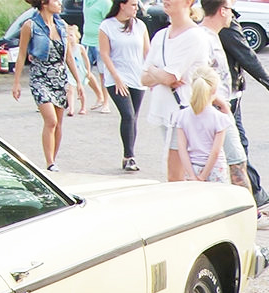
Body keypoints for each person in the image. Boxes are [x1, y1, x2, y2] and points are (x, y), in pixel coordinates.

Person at [200, 0, 269, 212]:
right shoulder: (220, 28)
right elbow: (247, 56)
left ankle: (251, 199)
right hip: (223, 102)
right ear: (222, 10)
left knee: (236, 149)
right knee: (236, 152)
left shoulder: (213, 27)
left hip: (226, 98)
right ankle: (250, 204)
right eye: (228, 8)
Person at [139, 0, 213, 177]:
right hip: (167, 112)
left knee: (177, 173)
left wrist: (156, 71)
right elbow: (143, 79)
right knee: (175, 171)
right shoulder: (160, 36)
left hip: (186, 112)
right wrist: (158, 73)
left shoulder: (195, 36)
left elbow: (170, 77)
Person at [9, 0, 84, 171]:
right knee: (50, 120)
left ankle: (53, 162)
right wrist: (16, 82)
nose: (59, 4)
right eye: (56, 1)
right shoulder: (31, 25)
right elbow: (21, 55)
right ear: (44, 3)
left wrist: (78, 81)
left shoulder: (61, 25)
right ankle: (49, 162)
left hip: (59, 77)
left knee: (58, 123)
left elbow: (68, 57)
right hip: (40, 76)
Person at [98, 0, 149, 171]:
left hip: (137, 77)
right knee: (127, 114)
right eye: (133, 4)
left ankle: (129, 154)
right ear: (122, 4)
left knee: (134, 117)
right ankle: (129, 156)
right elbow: (105, 54)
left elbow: (147, 52)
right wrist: (116, 77)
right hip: (117, 78)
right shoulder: (107, 26)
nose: (136, 8)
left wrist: (151, 74)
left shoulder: (140, 26)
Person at [172, 63, 230, 183]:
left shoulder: (182, 116)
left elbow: (182, 148)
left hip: (193, 166)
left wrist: (192, 175)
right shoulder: (219, 118)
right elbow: (215, 151)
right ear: (214, 90)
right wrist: (204, 176)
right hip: (215, 168)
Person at [81, 0, 110, 111]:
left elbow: (108, 23)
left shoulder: (105, 3)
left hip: (100, 42)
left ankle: (106, 103)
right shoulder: (86, 2)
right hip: (86, 40)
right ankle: (99, 96)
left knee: (103, 73)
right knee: (84, 71)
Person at [64, 23, 88, 115]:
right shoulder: (66, 48)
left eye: (71, 35)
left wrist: (88, 71)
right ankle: (71, 109)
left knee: (81, 90)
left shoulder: (80, 48)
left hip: (80, 72)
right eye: (67, 36)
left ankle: (83, 107)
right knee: (70, 90)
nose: (69, 37)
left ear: (76, 36)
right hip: (69, 73)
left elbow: (86, 60)